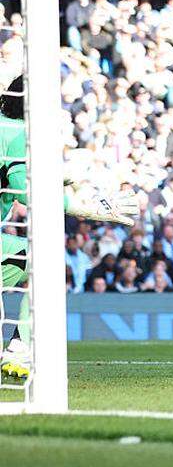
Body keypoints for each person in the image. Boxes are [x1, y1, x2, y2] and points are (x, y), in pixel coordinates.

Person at [0, 66, 139, 379]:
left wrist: (68, 174)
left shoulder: (6, 127)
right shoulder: (19, 132)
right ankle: (20, 348)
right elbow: (28, 189)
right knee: (46, 261)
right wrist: (89, 208)